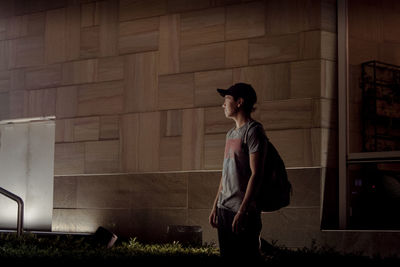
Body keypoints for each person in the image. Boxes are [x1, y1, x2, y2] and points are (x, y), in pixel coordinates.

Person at [209, 82, 267, 263]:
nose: (223, 105)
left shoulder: (254, 131)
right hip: (224, 209)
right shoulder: (230, 134)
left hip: (243, 212)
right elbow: (226, 172)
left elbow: (256, 174)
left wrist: (242, 211)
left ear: (239, 102)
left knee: (246, 260)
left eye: (227, 99)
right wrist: (215, 205)